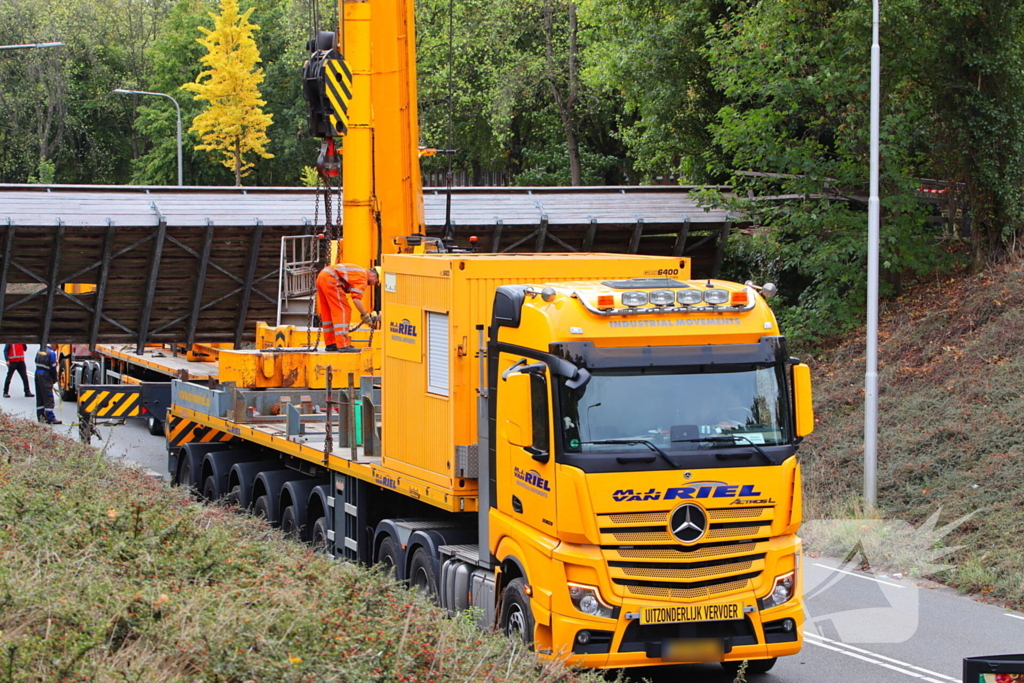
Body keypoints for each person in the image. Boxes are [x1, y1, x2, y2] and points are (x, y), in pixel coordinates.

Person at [315, 263, 379, 352]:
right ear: (373, 275)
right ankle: (343, 345)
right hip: (331, 279)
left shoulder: (359, 271)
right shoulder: (363, 277)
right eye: (376, 282)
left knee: (328, 311)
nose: (373, 284)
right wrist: (365, 315)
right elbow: (356, 299)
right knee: (343, 310)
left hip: (322, 277)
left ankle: (331, 343)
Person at [34, 344, 61, 424]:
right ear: (54, 345)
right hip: (45, 375)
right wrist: (54, 377)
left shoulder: (40, 350)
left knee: (40, 396)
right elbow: (53, 367)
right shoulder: (51, 353)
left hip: (37, 373)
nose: (56, 349)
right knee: (48, 396)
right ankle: (50, 417)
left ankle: (41, 416)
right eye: (57, 347)